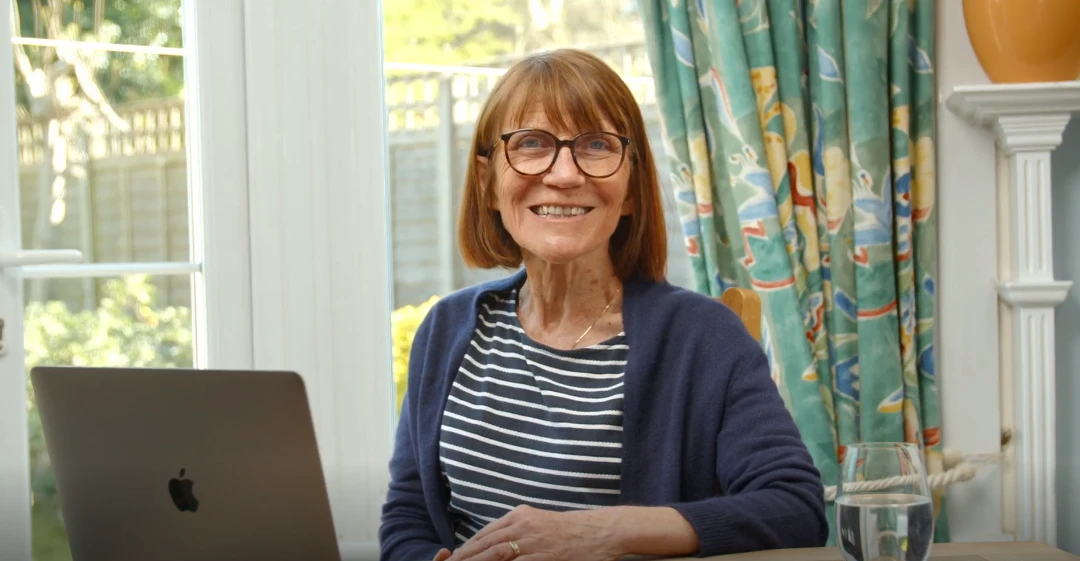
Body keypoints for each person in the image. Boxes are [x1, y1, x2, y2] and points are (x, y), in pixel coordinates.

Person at [379, 48, 827, 561]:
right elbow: (408, 517)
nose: (565, 174)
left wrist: (605, 533)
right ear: (488, 186)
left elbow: (795, 509)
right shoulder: (447, 327)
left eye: (595, 145)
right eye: (530, 143)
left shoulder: (704, 337)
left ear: (631, 188)